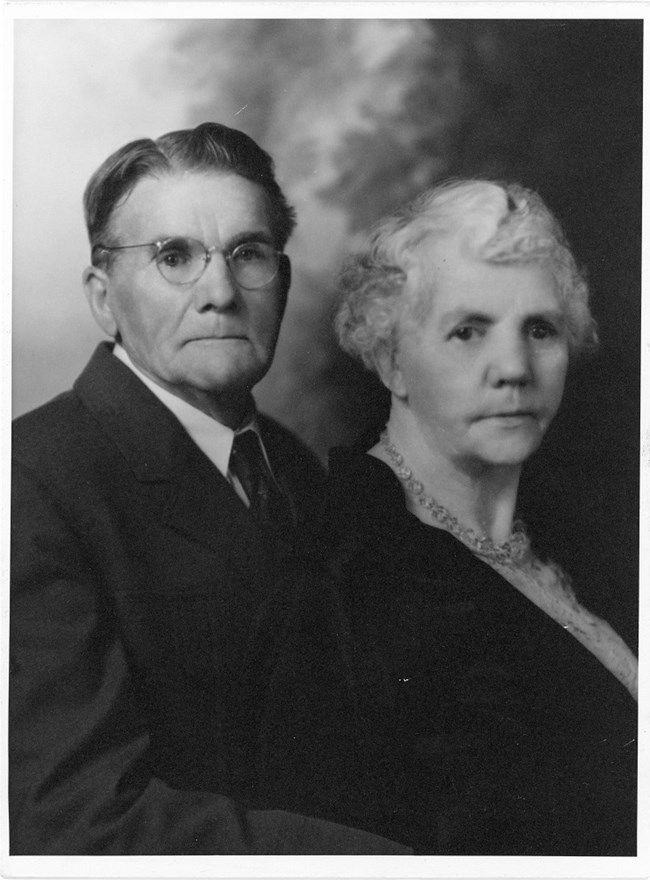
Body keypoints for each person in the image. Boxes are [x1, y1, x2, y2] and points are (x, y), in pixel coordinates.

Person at [9, 122, 412, 855]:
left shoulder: (289, 466)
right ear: (103, 298)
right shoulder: (32, 480)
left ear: (282, 283)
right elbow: (75, 826)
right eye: (174, 257)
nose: (221, 292)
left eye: (248, 254)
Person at [250, 179, 639, 855]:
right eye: (468, 331)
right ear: (392, 358)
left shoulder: (584, 536)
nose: (514, 368)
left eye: (540, 329)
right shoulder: (342, 576)